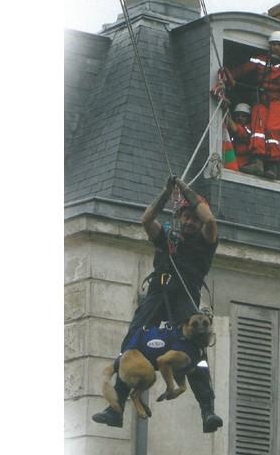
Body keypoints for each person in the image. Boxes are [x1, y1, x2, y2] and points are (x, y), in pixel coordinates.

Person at [92, 176, 223, 433]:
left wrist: (184, 189)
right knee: (131, 342)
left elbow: (209, 220)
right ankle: (116, 408)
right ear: (180, 217)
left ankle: (207, 409)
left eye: (193, 219)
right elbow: (146, 220)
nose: (189, 221)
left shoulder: (206, 241)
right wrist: (166, 193)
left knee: (196, 348)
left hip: (184, 296)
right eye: (186, 217)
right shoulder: (167, 239)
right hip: (157, 294)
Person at [223, 30, 280, 179]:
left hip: (279, 100)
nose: (276, 47)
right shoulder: (261, 60)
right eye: (273, 44)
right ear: (269, 46)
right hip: (263, 99)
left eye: (279, 44)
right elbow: (243, 69)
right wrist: (228, 75)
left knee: (272, 129)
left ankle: (272, 165)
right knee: (257, 129)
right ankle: (257, 161)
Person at [225, 102, 252, 169]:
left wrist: (225, 112)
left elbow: (236, 129)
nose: (240, 118)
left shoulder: (249, 129)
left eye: (243, 116)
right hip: (234, 163)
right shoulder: (232, 129)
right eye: (237, 115)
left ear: (249, 118)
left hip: (244, 165)